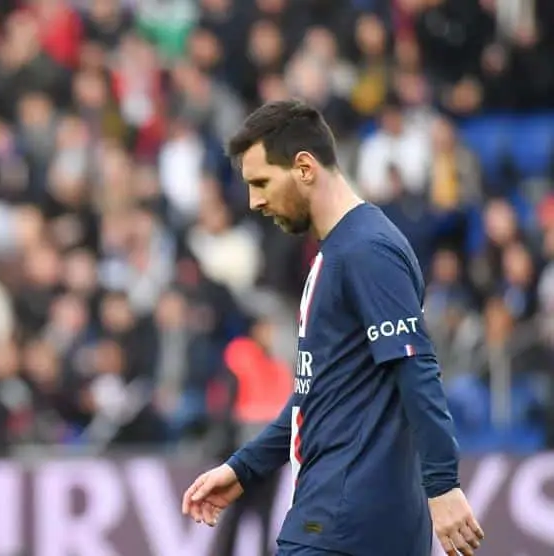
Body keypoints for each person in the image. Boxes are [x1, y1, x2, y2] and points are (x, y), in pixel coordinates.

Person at [180, 100, 485, 556]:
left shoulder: (366, 251)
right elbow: (318, 391)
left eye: (261, 182)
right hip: (345, 520)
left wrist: (443, 485)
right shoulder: (344, 249)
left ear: (304, 168)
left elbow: (416, 367)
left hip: (342, 524)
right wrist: (245, 467)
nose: (254, 201)